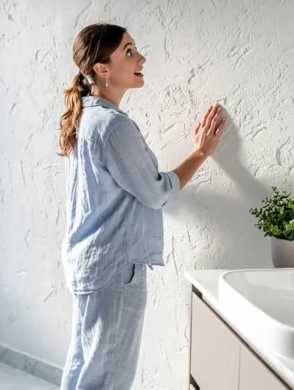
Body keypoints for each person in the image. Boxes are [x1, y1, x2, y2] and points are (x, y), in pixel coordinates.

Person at [58, 23, 225, 389]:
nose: (141, 58)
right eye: (129, 51)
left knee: (86, 368)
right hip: (113, 269)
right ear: (102, 69)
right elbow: (155, 193)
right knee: (108, 378)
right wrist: (200, 153)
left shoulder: (86, 117)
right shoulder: (112, 126)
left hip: (90, 262)